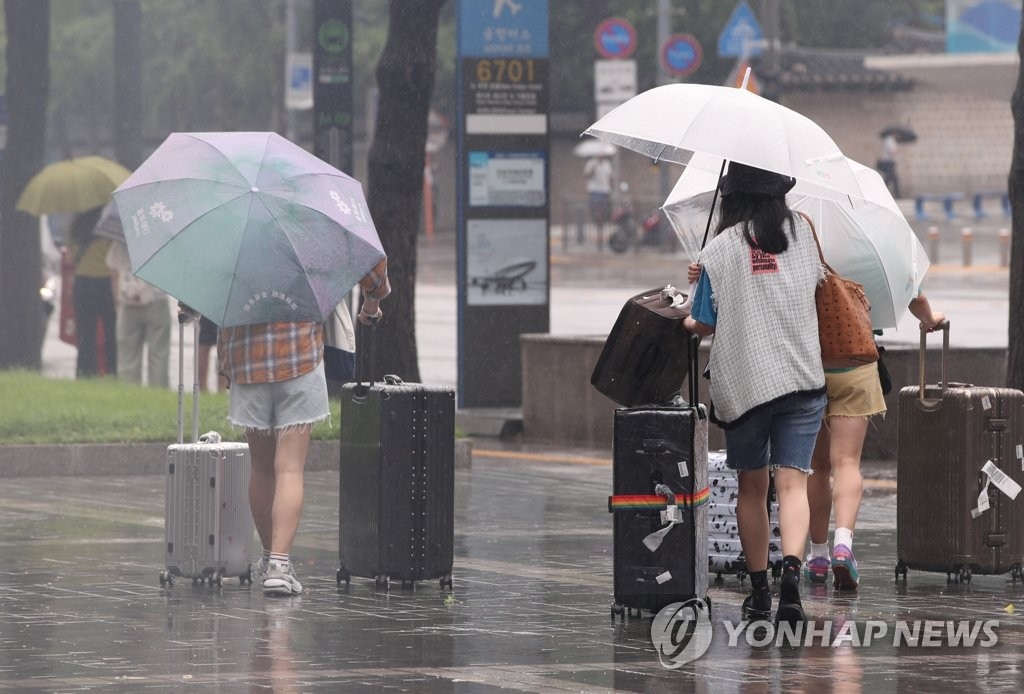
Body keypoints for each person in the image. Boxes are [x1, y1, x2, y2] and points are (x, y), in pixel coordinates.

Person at [683, 162, 826, 627]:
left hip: (746, 386)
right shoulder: (804, 232)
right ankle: (792, 580)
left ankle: (760, 591)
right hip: (803, 376)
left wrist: (692, 295)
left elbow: (703, 323)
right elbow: (816, 286)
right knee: (793, 482)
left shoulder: (720, 249)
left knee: (752, 486)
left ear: (733, 199)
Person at [214, 258, 391, 597]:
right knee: (290, 468)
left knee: (262, 467)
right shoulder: (313, 230)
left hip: (246, 360)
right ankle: (280, 566)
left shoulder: (236, 229)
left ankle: (268, 559)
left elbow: (205, 290)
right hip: (300, 358)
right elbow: (371, 262)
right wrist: (372, 304)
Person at [805, 291, 945, 590]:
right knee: (846, 462)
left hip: (810, 364)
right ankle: (843, 545)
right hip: (855, 365)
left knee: (816, 467)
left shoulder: (804, 247)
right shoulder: (872, 247)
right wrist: (929, 319)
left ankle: (817, 556)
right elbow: (913, 292)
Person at [105, 240, 171, 388]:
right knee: (159, 355)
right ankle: (158, 394)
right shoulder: (162, 239)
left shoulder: (120, 240)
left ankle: (129, 393)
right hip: (157, 300)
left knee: (128, 355)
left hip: (128, 302)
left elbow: (114, 272)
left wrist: (117, 300)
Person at [67, 206, 117, 378]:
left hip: (82, 284)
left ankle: (85, 372)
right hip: (104, 284)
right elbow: (113, 257)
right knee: (111, 331)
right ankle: (112, 372)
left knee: (85, 333)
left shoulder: (76, 228)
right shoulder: (107, 227)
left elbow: (69, 259)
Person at [583, 155, 614, 231]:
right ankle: (597, 224)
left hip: (605, 190)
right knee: (596, 209)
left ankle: (601, 224)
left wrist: (611, 188)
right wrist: (593, 168)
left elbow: (610, 176)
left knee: (604, 209)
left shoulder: (607, 163)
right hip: (594, 190)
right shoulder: (591, 163)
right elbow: (586, 175)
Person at [196, 315, 225, 393]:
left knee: (203, 345)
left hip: (209, 312)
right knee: (223, 348)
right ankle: (222, 389)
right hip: (222, 312)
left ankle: (203, 389)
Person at [877, 133, 900, 199]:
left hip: (890, 163)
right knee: (892, 179)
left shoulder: (892, 141)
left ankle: (883, 193)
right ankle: (896, 195)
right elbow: (892, 151)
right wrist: (897, 150)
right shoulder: (889, 141)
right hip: (888, 163)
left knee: (890, 179)